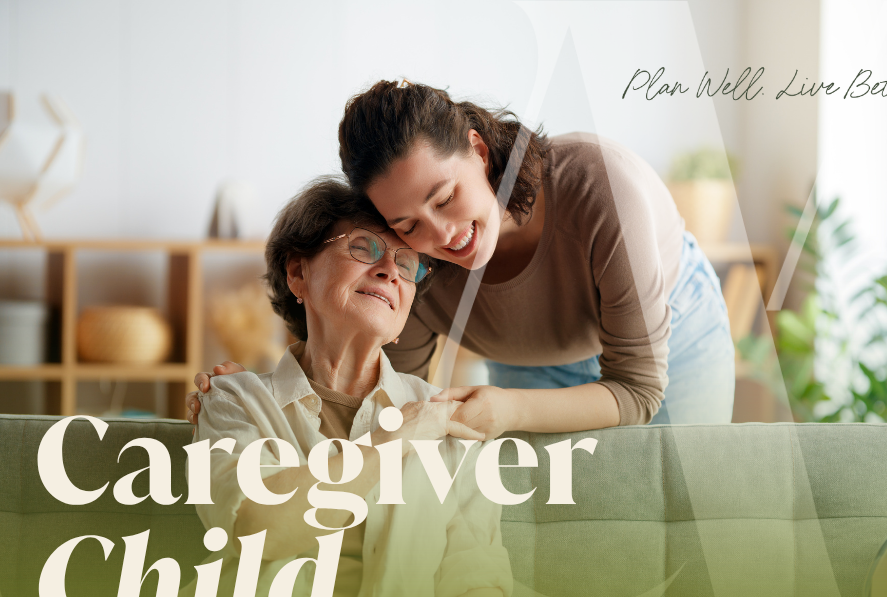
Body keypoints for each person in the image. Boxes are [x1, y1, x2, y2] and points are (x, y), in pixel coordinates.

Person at [189, 80, 735, 436]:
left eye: (445, 197)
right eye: (407, 225)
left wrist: (511, 410)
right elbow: (375, 398)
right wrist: (255, 398)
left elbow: (638, 389)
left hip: (668, 339)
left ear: (477, 150)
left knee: (693, 513)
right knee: (550, 533)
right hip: (530, 364)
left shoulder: (601, 189)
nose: (445, 235)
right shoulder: (413, 267)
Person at [144, 178, 512, 597]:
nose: (389, 272)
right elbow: (262, 528)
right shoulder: (234, 400)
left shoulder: (445, 418)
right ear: (298, 273)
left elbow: (479, 588)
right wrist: (397, 436)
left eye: (406, 263)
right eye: (365, 248)